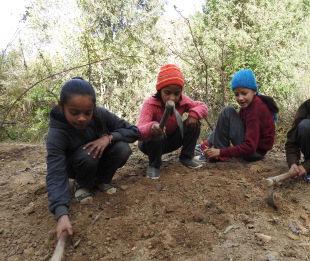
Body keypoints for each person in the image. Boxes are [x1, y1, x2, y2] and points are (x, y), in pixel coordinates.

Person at [46, 77, 140, 239]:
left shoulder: (100, 115)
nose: (82, 118)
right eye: (74, 113)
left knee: (122, 148)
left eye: (87, 113)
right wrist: (62, 214)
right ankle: (82, 184)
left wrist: (109, 137)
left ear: (93, 108)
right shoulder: (56, 134)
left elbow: (133, 131)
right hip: (77, 165)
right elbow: (56, 172)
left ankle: (101, 180)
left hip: (98, 160)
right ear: (62, 107)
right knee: (88, 154)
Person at [137, 64, 208, 179]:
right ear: (160, 91)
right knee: (157, 133)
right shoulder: (150, 104)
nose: (172, 98)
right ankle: (154, 164)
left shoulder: (183, 101)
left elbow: (202, 107)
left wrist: (194, 114)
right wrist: (151, 128)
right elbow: (139, 130)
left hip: (170, 141)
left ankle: (186, 157)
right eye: (167, 93)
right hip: (151, 144)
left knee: (195, 123)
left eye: (177, 93)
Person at [195, 69, 278, 162]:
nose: (240, 98)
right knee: (227, 114)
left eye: (244, 93)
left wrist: (221, 151)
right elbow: (228, 124)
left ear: (254, 91)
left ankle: (217, 154)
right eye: (236, 94)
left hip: (254, 153)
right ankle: (206, 146)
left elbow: (249, 147)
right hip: (253, 150)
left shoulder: (256, 109)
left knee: (228, 110)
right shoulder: (249, 104)